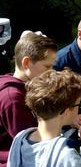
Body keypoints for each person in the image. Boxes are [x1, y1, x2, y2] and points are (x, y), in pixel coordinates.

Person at [7, 69, 81, 167]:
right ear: (66, 111)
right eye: (79, 104)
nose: (79, 108)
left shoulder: (20, 138)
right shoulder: (67, 157)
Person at [0, 31, 58, 166]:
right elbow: (33, 146)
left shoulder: (23, 86)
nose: (52, 71)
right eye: (47, 66)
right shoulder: (13, 99)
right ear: (26, 63)